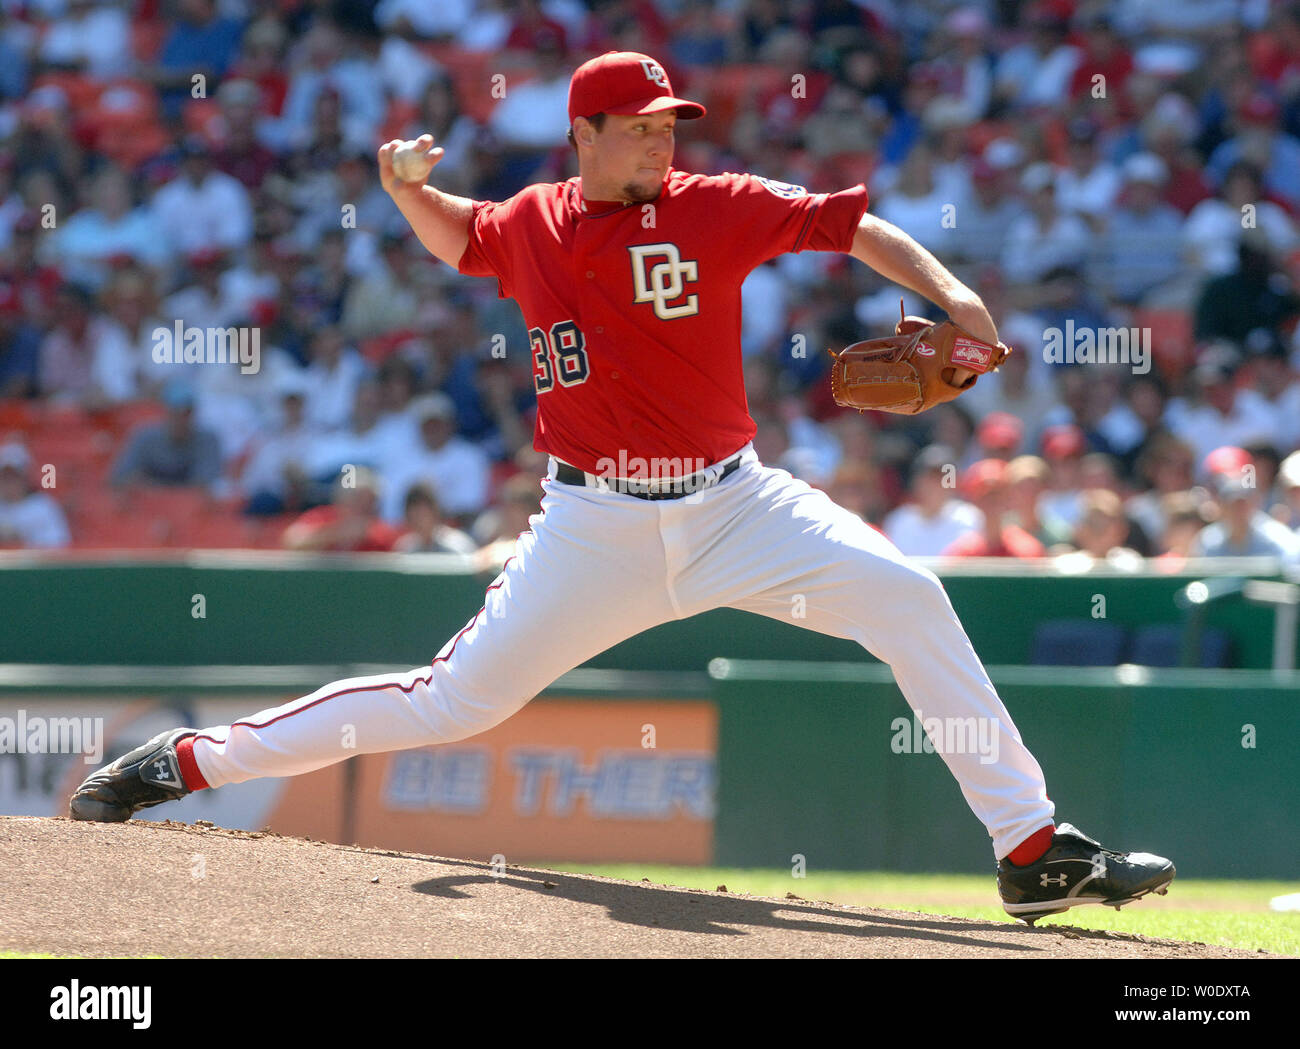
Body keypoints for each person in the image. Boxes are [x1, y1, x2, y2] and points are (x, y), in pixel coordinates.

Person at [71, 51, 1174, 923]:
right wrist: (404, 187)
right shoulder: (534, 221)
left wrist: (957, 294)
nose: (660, 139)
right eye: (639, 124)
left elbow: (850, 223)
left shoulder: (714, 203)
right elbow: (461, 236)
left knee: (908, 598)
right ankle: (182, 761)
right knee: (453, 702)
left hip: (738, 504)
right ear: (584, 135)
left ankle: (1030, 848)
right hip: (592, 522)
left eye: (668, 123)